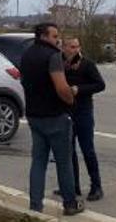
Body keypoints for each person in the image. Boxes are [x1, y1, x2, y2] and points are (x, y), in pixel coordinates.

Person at [20, 23, 84, 215]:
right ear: (44, 36)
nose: (58, 39)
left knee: (38, 161)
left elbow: (24, 81)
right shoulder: (53, 56)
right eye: (55, 35)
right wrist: (71, 100)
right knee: (64, 163)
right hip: (55, 116)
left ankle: (35, 206)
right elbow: (61, 87)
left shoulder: (27, 54)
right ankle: (70, 204)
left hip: (34, 115)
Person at [62, 38, 105, 201]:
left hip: (83, 112)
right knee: (68, 151)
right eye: (71, 46)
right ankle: (73, 185)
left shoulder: (87, 64)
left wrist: (79, 89)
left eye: (77, 46)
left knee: (87, 150)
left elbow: (100, 85)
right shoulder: (60, 63)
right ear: (64, 48)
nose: (74, 50)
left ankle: (96, 186)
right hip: (66, 112)